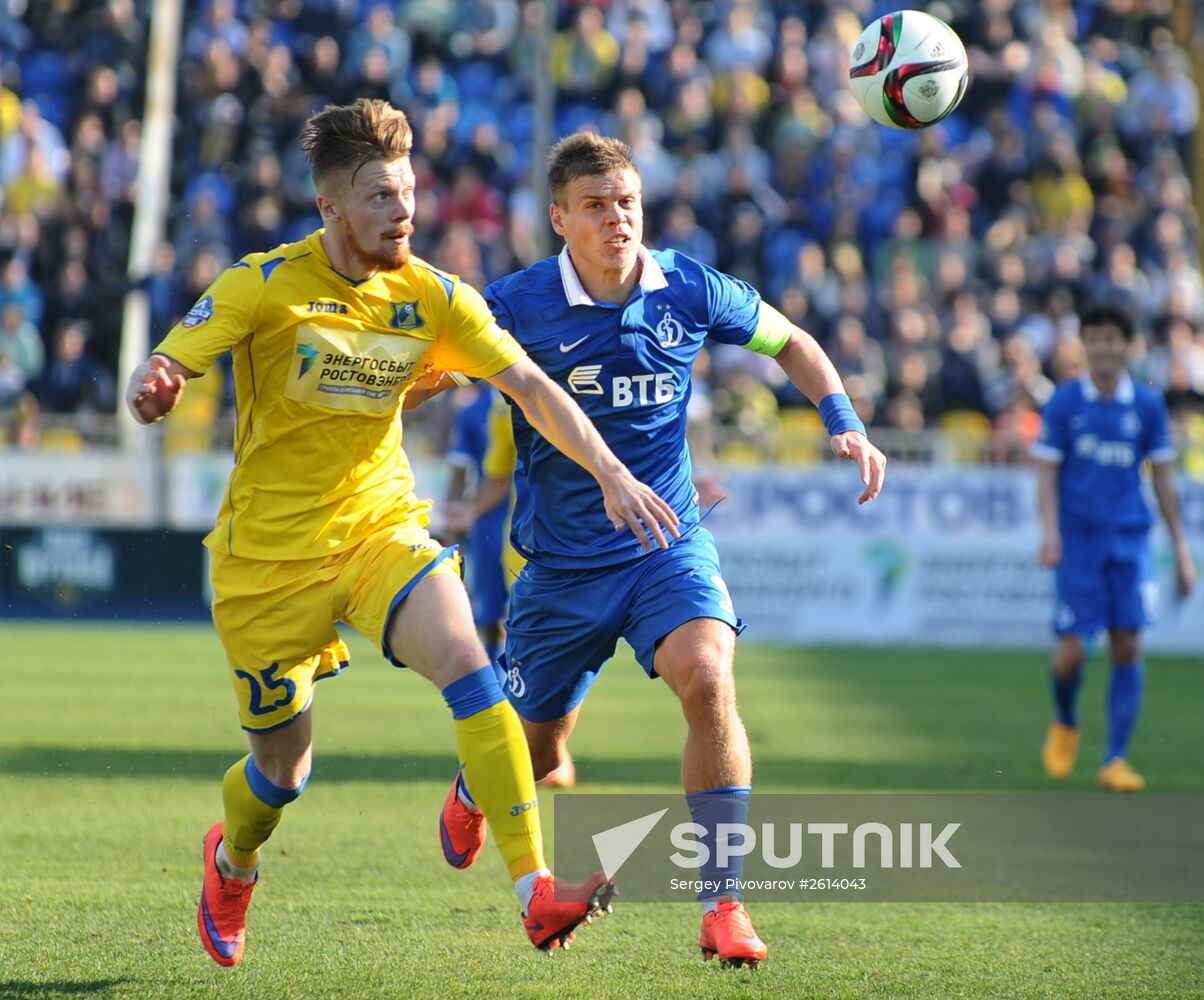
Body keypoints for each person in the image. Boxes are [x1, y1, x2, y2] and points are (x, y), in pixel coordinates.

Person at [124, 100, 681, 967]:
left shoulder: (434, 297)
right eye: (382, 195)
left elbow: (531, 386)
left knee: (473, 667)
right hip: (267, 563)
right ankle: (232, 864)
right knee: (280, 777)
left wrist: (612, 473)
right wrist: (156, 383)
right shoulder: (264, 283)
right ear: (331, 209)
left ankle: (535, 890)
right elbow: (171, 359)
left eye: (410, 191)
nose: (404, 209)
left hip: (381, 528)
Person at [436, 133, 888, 969]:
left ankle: (723, 904)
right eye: (597, 206)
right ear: (560, 219)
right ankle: (477, 787)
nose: (618, 220)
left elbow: (791, 341)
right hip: (561, 571)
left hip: (665, 546)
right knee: (535, 750)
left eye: (628, 203)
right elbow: (434, 367)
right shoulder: (517, 303)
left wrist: (845, 424)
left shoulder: (688, 284)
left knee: (710, 678)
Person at [1033, 302, 1196, 792]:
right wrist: (1050, 532)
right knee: (1072, 654)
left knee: (1128, 643)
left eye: (1112, 338)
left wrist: (1182, 551)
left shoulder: (1146, 406)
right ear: (1084, 344)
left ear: (1127, 346)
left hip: (1129, 538)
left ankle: (1115, 760)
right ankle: (1065, 719)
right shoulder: (1064, 402)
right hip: (1078, 542)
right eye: (1095, 337)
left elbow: (1164, 480)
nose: (1104, 346)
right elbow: (1046, 474)